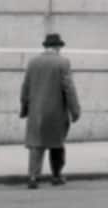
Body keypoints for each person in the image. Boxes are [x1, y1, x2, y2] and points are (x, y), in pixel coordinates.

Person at [21, 32, 82, 188]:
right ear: (58, 47)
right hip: (55, 112)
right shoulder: (63, 63)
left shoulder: (33, 62)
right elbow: (69, 89)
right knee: (57, 144)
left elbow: (25, 87)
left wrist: (24, 107)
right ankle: (56, 176)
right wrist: (75, 111)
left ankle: (33, 177)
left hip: (36, 112)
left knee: (36, 145)